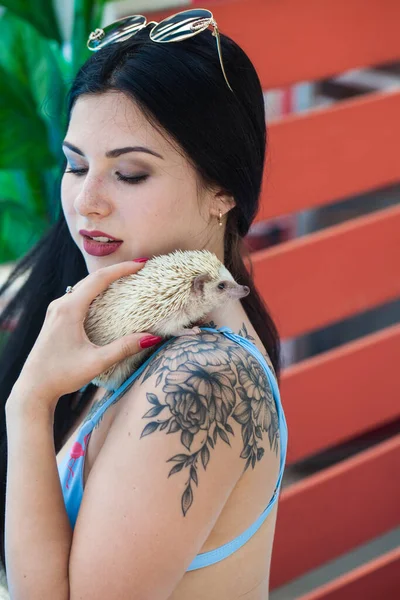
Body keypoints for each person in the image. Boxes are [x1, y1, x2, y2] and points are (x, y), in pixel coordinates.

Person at [0, 9, 287, 599]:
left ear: (222, 192)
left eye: (129, 174)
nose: (87, 202)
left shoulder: (203, 380)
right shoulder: (116, 324)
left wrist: (29, 404)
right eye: (76, 165)